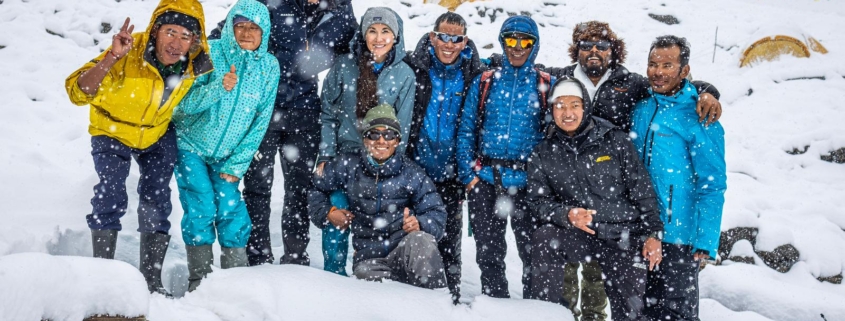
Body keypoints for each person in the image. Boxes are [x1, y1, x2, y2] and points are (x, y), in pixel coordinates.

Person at [488, 21, 722, 319]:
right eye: (586, 46)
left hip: (634, 207)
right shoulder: (563, 78)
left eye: (602, 46)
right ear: (577, 51)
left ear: (614, 51)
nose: (594, 51)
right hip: (578, 196)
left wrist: (706, 91)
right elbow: (521, 66)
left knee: (671, 304)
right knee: (641, 301)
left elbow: (672, 89)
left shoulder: (633, 85)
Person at [64, 0, 211, 295]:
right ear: (155, 30)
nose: (176, 43)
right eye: (170, 32)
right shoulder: (127, 51)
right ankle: (103, 275)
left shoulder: (193, 64)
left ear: (194, 40)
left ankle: (151, 281)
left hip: (155, 133)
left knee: (157, 200)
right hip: (112, 129)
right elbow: (78, 93)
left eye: (185, 36)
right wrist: (110, 58)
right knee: (111, 193)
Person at [207, 0, 358, 267]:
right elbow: (225, 34)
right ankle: (258, 256)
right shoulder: (271, 3)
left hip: (306, 110)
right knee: (257, 188)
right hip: (262, 107)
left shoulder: (339, 10)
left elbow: (358, 48)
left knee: (299, 189)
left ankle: (296, 258)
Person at [527, 79, 664, 320]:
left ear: (585, 107)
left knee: (631, 310)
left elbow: (641, 189)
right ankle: (550, 314)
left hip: (621, 235)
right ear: (551, 110)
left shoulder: (614, 140)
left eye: (574, 105)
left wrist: (652, 234)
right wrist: (566, 214)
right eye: (560, 106)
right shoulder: (544, 151)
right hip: (579, 233)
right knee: (544, 238)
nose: (567, 113)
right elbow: (538, 203)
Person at [172, 0, 279, 291]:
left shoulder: (269, 67)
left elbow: (261, 121)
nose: (246, 33)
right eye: (240, 25)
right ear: (230, 26)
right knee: (201, 208)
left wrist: (237, 164)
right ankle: (199, 283)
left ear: (264, 31)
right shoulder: (209, 51)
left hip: (228, 156)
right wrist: (219, 88)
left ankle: (235, 285)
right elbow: (181, 107)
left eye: (254, 27)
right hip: (190, 146)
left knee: (231, 211)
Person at [631, 35, 727, 321]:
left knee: (677, 312)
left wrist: (706, 239)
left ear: (684, 71)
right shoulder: (641, 107)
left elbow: (713, 183)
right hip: (640, 228)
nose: (657, 71)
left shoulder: (700, 115)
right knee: (638, 310)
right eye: (653, 64)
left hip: (678, 234)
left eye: (667, 65)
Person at [456, 15, 552, 299]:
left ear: (534, 45)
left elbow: (554, 138)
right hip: (486, 179)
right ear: (502, 41)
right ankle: (495, 306)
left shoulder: (546, 84)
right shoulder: (485, 82)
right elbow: (466, 131)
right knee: (489, 253)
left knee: (534, 255)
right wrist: (469, 177)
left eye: (525, 41)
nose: (518, 46)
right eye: (511, 39)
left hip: (528, 184)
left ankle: (534, 312)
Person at [317, 7, 416, 275]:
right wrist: (326, 155)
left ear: (396, 36)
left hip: (381, 160)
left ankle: (373, 282)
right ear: (363, 34)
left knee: (376, 226)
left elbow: (402, 128)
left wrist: (393, 167)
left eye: (385, 31)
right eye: (372, 30)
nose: (378, 37)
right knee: (338, 217)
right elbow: (327, 114)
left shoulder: (405, 75)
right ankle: (332, 278)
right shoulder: (344, 65)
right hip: (345, 158)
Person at [308, 104, 447, 288]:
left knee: (421, 241)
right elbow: (315, 187)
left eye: (389, 135)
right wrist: (328, 212)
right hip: (369, 259)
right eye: (374, 134)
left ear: (397, 141)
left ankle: (435, 305)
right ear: (365, 139)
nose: (381, 140)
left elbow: (437, 212)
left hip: (404, 252)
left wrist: (420, 223)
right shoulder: (349, 165)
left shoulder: (412, 173)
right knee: (372, 288)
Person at [403, 11, 485, 303]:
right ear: (433, 36)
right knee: (413, 234)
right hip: (416, 170)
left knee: (450, 238)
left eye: (457, 38)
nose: (449, 44)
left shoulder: (474, 74)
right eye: (444, 37)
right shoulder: (414, 67)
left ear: (465, 42)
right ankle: (409, 296)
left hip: (452, 173)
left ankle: (450, 295)